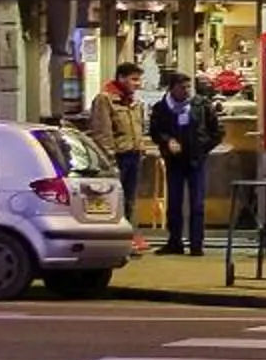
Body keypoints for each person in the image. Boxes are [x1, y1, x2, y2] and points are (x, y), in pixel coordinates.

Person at [147, 68, 220, 255]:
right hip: (174, 162)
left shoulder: (201, 105)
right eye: (182, 87)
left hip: (196, 161)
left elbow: (217, 132)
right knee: (174, 203)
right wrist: (167, 141)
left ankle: (197, 244)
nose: (187, 90)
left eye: (189, 86)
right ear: (172, 89)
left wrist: (203, 148)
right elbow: (155, 131)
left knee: (197, 203)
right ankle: (175, 242)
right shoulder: (161, 108)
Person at [83, 62, 152, 254]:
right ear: (121, 78)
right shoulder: (105, 100)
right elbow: (102, 133)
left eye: (139, 79)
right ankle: (113, 240)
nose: (138, 84)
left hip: (134, 155)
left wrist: (141, 147)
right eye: (134, 79)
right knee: (113, 200)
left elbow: (137, 128)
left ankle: (129, 236)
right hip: (118, 158)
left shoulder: (134, 103)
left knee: (130, 200)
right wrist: (110, 161)